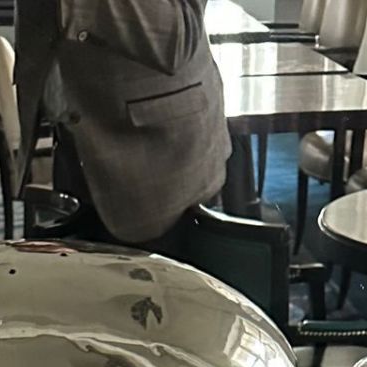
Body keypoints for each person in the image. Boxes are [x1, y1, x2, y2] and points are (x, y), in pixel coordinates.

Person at [14, 0, 231, 251]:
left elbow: (177, 36)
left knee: (161, 287)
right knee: (82, 283)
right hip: (71, 139)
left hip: (157, 157)